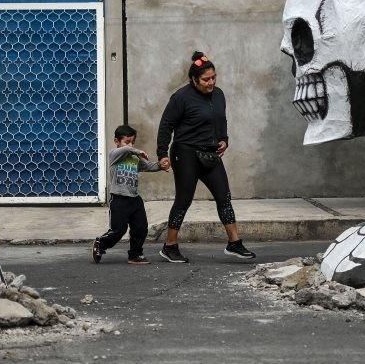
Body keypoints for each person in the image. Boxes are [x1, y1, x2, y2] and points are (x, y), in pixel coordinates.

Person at [156, 51, 256, 263]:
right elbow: (166, 126)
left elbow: (221, 119)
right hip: (186, 153)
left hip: (210, 154)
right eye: (206, 79)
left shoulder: (218, 94)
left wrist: (224, 138)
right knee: (184, 200)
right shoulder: (181, 97)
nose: (211, 82)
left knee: (224, 197)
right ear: (193, 79)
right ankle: (169, 246)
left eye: (213, 77)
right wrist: (162, 154)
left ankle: (234, 243)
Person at [92, 124, 166, 265]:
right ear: (116, 141)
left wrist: (160, 166)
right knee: (118, 230)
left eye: (133, 141)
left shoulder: (135, 157)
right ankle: (101, 243)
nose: (130, 145)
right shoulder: (114, 155)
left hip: (134, 198)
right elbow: (125, 149)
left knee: (141, 228)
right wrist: (136, 150)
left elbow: (148, 166)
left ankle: (135, 254)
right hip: (118, 198)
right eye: (127, 141)